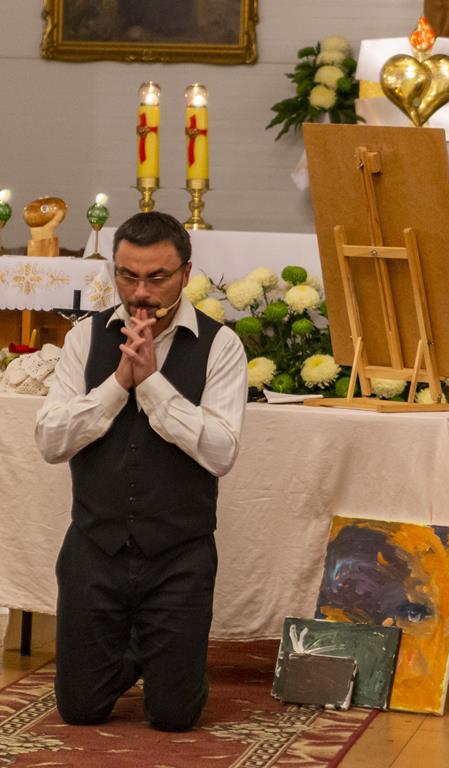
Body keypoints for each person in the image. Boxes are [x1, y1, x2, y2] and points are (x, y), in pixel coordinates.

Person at [35, 211, 248, 731]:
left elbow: (221, 453)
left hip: (179, 554)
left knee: (174, 716)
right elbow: (50, 442)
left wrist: (151, 384)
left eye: (157, 278)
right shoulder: (85, 339)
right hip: (95, 549)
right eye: (128, 276)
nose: (141, 293)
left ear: (186, 273)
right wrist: (117, 385)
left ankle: (161, 653)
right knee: (80, 711)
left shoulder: (220, 345)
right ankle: (134, 648)